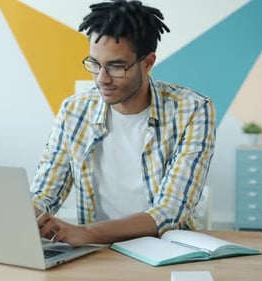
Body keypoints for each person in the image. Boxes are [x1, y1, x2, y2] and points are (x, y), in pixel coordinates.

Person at [32, 0, 216, 247]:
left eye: (116, 67)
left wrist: (86, 232)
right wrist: (26, 216)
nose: (102, 79)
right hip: (96, 251)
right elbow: (45, 193)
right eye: (95, 64)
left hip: (165, 249)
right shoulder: (74, 110)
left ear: (148, 62)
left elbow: (170, 211)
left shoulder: (192, 110)